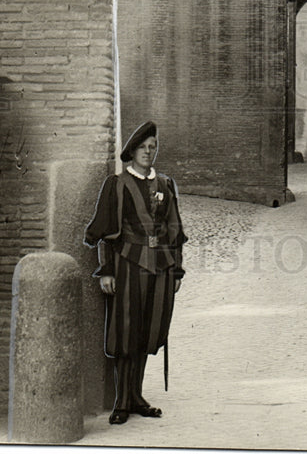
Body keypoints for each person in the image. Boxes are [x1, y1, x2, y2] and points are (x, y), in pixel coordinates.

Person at [85, 121, 187, 425]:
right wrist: (106, 271)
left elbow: (174, 230)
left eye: (152, 147)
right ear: (132, 151)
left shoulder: (166, 185)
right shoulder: (116, 184)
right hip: (128, 266)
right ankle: (122, 401)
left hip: (160, 269)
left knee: (147, 331)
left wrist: (177, 270)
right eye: (143, 147)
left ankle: (138, 397)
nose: (148, 152)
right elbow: (104, 231)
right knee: (126, 331)